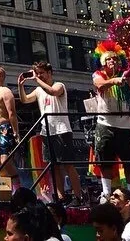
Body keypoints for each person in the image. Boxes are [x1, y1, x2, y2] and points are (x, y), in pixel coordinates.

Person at [19, 62, 84, 205]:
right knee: (53, 165)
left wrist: (37, 80)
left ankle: (78, 196)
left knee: (68, 164)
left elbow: (53, 92)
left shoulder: (59, 85)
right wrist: (21, 85)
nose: (39, 75)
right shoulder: (38, 90)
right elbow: (24, 100)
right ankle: (61, 197)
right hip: (46, 131)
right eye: (37, 72)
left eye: (42, 72)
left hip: (62, 130)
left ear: (50, 73)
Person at [92, 43, 130, 203]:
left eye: (115, 59)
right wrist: (114, 81)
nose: (112, 61)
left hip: (125, 125)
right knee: (105, 161)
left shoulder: (126, 75)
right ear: (103, 62)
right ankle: (106, 193)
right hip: (106, 124)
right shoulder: (98, 74)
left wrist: (126, 77)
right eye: (109, 59)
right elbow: (99, 84)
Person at [0, 67, 20, 190]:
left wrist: (16, 132)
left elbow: (12, 113)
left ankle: (18, 189)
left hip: (5, 128)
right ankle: (5, 192)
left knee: (5, 160)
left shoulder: (5, 91)